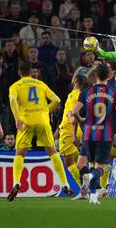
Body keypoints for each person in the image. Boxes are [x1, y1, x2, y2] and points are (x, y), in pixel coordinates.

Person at [7, 61, 73, 202]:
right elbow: (57, 100)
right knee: (52, 152)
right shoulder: (40, 84)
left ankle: (16, 182)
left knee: (20, 153)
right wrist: (45, 110)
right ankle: (65, 183)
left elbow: (12, 101)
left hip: (26, 121)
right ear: (31, 72)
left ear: (19, 72)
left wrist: (17, 118)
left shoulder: (15, 86)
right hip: (43, 121)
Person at [71, 63, 116, 204]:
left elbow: (74, 112)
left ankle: (92, 195)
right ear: (108, 75)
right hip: (105, 135)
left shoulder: (86, 92)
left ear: (95, 75)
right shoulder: (114, 92)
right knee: (97, 167)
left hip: (88, 134)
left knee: (84, 164)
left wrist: (82, 119)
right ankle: (91, 180)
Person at [59, 73, 87, 187]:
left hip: (68, 131)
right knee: (79, 163)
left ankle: (86, 188)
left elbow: (73, 119)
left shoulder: (73, 95)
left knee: (69, 162)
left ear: (75, 81)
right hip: (79, 130)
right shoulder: (84, 95)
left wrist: (70, 117)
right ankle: (91, 187)